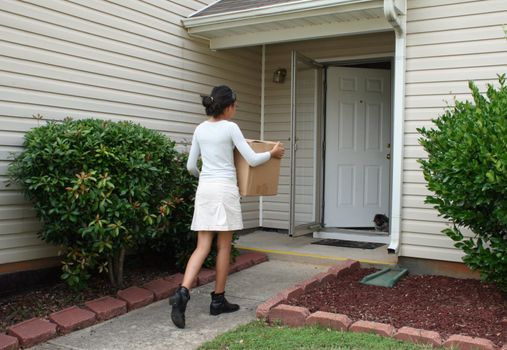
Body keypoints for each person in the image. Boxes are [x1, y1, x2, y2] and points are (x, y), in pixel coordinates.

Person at [169, 85, 285, 329]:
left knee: (202, 246)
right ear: (228, 106)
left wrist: (205, 176)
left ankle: (182, 293)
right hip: (224, 190)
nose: (236, 109)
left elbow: (191, 166)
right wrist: (272, 153)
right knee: (223, 246)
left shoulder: (200, 128)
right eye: (235, 105)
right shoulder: (231, 127)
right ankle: (218, 301)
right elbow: (252, 159)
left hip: (205, 190)